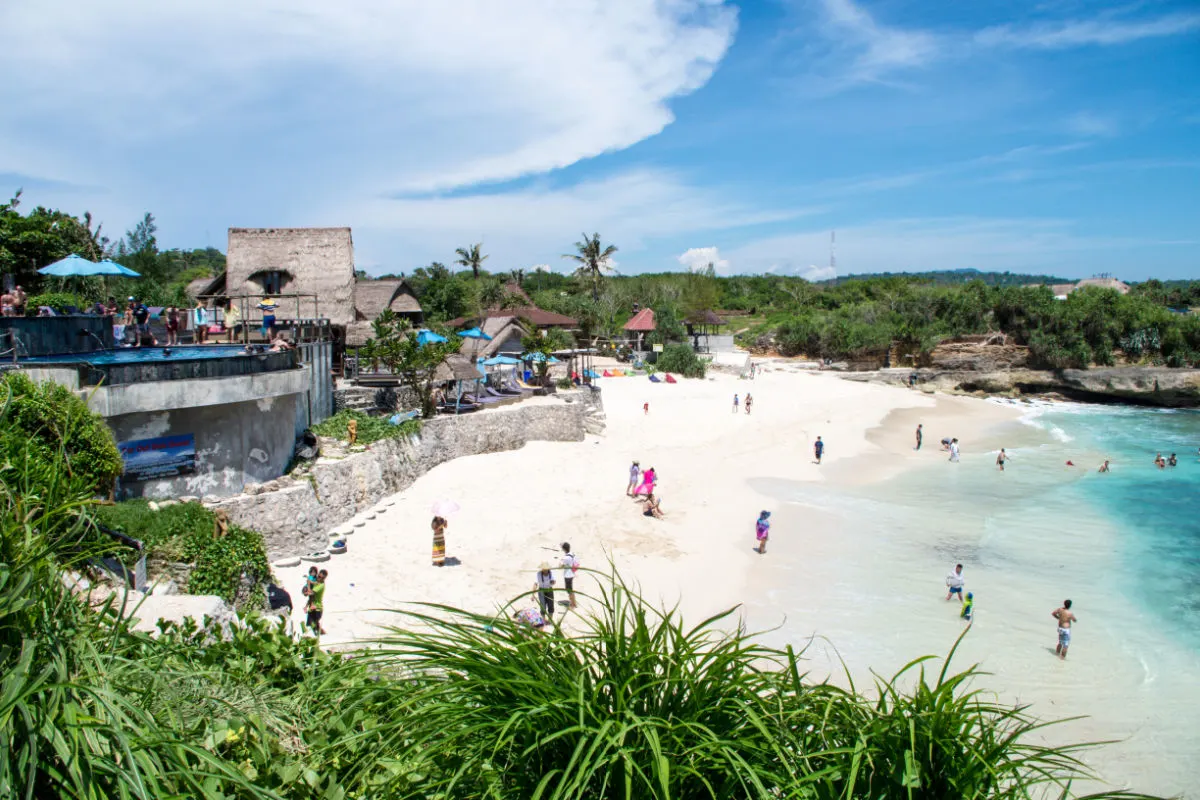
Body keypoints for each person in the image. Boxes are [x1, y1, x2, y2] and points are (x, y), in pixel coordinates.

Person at [306, 569, 327, 636]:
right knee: (314, 626)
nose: (319, 578)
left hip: (317, 608)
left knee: (314, 626)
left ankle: (322, 635)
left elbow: (311, 593)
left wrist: (308, 585)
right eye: (318, 576)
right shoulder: (317, 583)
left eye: (321, 577)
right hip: (312, 607)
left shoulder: (321, 585)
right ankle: (323, 634)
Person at [561, 542, 579, 609]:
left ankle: (572, 604)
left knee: (569, 590)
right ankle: (574, 603)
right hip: (572, 573)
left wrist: (561, 563)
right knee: (570, 589)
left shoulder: (566, 558)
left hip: (567, 575)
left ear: (564, 549)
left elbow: (561, 565)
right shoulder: (572, 554)